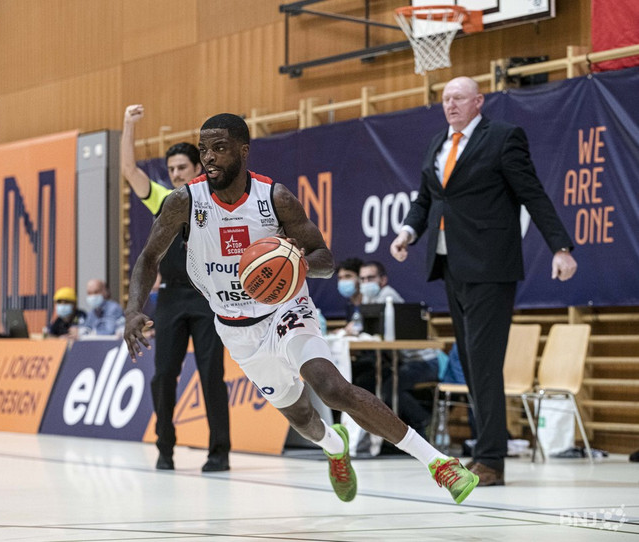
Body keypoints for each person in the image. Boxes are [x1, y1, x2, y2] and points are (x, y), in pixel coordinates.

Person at [125, 112, 479, 503]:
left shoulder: (274, 198)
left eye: (219, 148)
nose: (209, 157)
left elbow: (325, 257)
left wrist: (297, 264)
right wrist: (132, 309)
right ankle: (333, 446)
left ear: (244, 151)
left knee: (332, 388)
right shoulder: (184, 202)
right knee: (302, 418)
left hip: (285, 310)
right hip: (237, 329)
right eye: (204, 149)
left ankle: (439, 463)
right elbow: (148, 258)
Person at [390, 76, 578, 486]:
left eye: (458, 97)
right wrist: (408, 232)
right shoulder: (439, 143)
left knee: (486, 363)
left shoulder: (503, 137)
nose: (450, 104)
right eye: (444, 99)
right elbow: (427, 198)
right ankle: (485, 449)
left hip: (491, 266)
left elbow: (533, 194)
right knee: (472, 364)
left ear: (479, 101)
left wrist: (561, 248)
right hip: (450, 265)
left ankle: (491, 459)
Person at [121, 104, 230, 472]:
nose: (176, 174)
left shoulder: (216, 200)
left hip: (207, 297)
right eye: (170, 170)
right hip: (169, 297)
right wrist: (128, 125)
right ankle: (164, 447)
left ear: (198, 168)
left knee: (211, 374)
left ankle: (219, 452)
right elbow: (129, 170)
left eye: (182, 167)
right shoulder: (164, 200)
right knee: (164, 374)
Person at [354, 261, 440, 439]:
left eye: (370, 278)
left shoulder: (388, 296)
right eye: (362, 279)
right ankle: (376, 435)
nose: (366, 283)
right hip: (400, 360)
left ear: (383, 280)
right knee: (366, 381)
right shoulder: (368, 298)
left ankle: (425, 420)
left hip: (424, 362)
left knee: (388, 389)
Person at [335, 257, 364, 336]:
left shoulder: (370, 301)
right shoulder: (350, 305)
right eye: (340, 278)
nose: (343, 281)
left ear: (360, 278)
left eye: (348, 276)